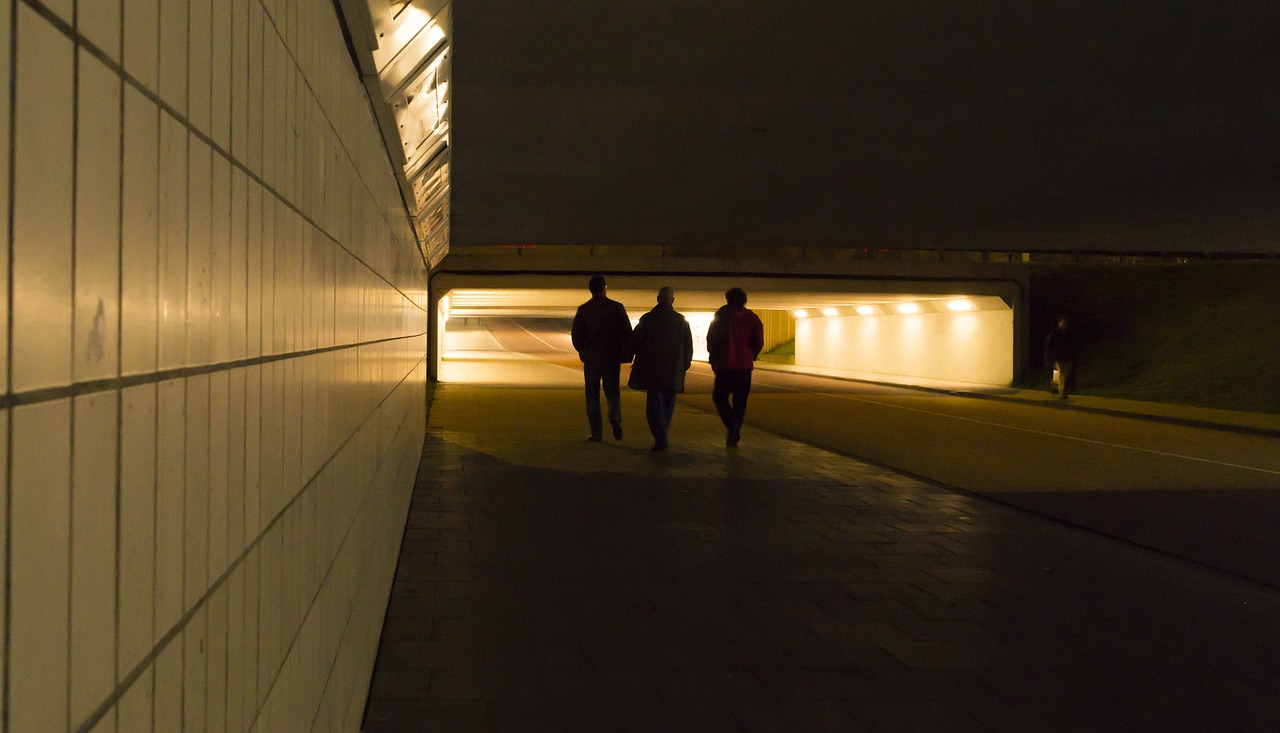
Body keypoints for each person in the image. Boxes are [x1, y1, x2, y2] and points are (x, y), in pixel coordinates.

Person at [626, 287, 693, 451]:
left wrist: (626, 356)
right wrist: (684, 366)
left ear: (657, 299)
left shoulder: (648, 319)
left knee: (654, 405)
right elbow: (688, 347)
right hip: (673, 372)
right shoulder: (681, 321)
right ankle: (662, 436)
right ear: (673, 300)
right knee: (668, 405)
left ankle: (661, 438)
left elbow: (634, 342)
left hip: (652, 370)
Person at [571, 275, 633, 441]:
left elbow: (576, 335)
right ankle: (614, 415)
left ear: (590, 290)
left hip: (591, 358)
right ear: (605, 288)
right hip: (611, 358)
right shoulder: (617, 308)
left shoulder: (584, 309)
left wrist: (583, 351)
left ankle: (597, 433)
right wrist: (625, 352)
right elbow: (628, 332)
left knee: (592, 395)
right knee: (612, 392)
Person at [707, 287, 764, 447]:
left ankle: (732, 426)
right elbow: (758, 341)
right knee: (740, 401)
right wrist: (751, 355)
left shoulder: (721, 315)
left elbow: (712, 338)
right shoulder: (752, 317)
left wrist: (713, 358)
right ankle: (734, 429)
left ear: (728, 299)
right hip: (744, 366)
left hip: (725, 364)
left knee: (719, 397)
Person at [1043, 315, 1078, 399]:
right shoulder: (1055, 333)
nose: (1065, 324)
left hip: (1067, 356)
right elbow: (1049, 345)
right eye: (1063, 322)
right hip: (1058, 356)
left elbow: (1072, 344)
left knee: (1065, 373)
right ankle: (1062, 391)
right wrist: (1048, 357)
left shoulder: (1068, 333)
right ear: (1060, 323)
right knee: (1062, 373)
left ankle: (1055, 385)